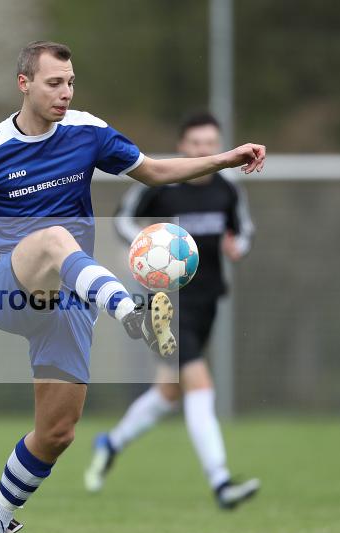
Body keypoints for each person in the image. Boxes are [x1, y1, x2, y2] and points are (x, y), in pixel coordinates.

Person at [0, 42, 265, 533]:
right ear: (23, 83)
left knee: (57, 432)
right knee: (55, 237)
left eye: (70, 83)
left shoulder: (87, 131)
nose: (64, 93)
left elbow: (153, 171)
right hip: (4, 286)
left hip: (71, 297)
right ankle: (131, 312)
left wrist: (223, 159)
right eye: (53, 83)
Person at [84, 112, 261, 510]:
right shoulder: (161, 186)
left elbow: (244, 231)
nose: (204, 150)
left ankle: (110, 443)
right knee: (201, 386)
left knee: (168, 394)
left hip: (208, 300)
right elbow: (122, 222)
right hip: (167, 305)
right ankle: (221, 482)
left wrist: (238, 247)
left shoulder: (228, 190)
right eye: (196, 143)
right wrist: (149, 240)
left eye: (210, 143)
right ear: (183, 146)